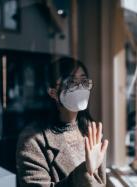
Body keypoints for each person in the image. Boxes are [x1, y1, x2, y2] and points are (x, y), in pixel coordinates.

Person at [16, 57, 109, 187]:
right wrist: (84, 171)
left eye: (84, 81)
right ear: (53, 92)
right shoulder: (33, 140)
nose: (80, 88)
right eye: (71, 82)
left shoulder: (90, 130)